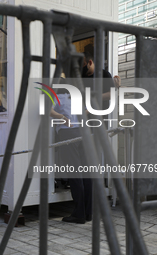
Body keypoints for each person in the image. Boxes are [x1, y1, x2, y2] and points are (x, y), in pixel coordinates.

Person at [50, 87, 92, 224]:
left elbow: (48, 111)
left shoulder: (56, 96)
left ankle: (79, 214)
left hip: (68, 133)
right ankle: (88, 212)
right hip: (83, 132)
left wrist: (63, 118)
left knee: (75, 173)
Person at [82, 50, 115, 119]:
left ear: (90, 62)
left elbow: (111, 94)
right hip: (85, 117)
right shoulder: (82, 77)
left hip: (101, 114)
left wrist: (92, 98)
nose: (81, 67)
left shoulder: (104, 75)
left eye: (83, 64)